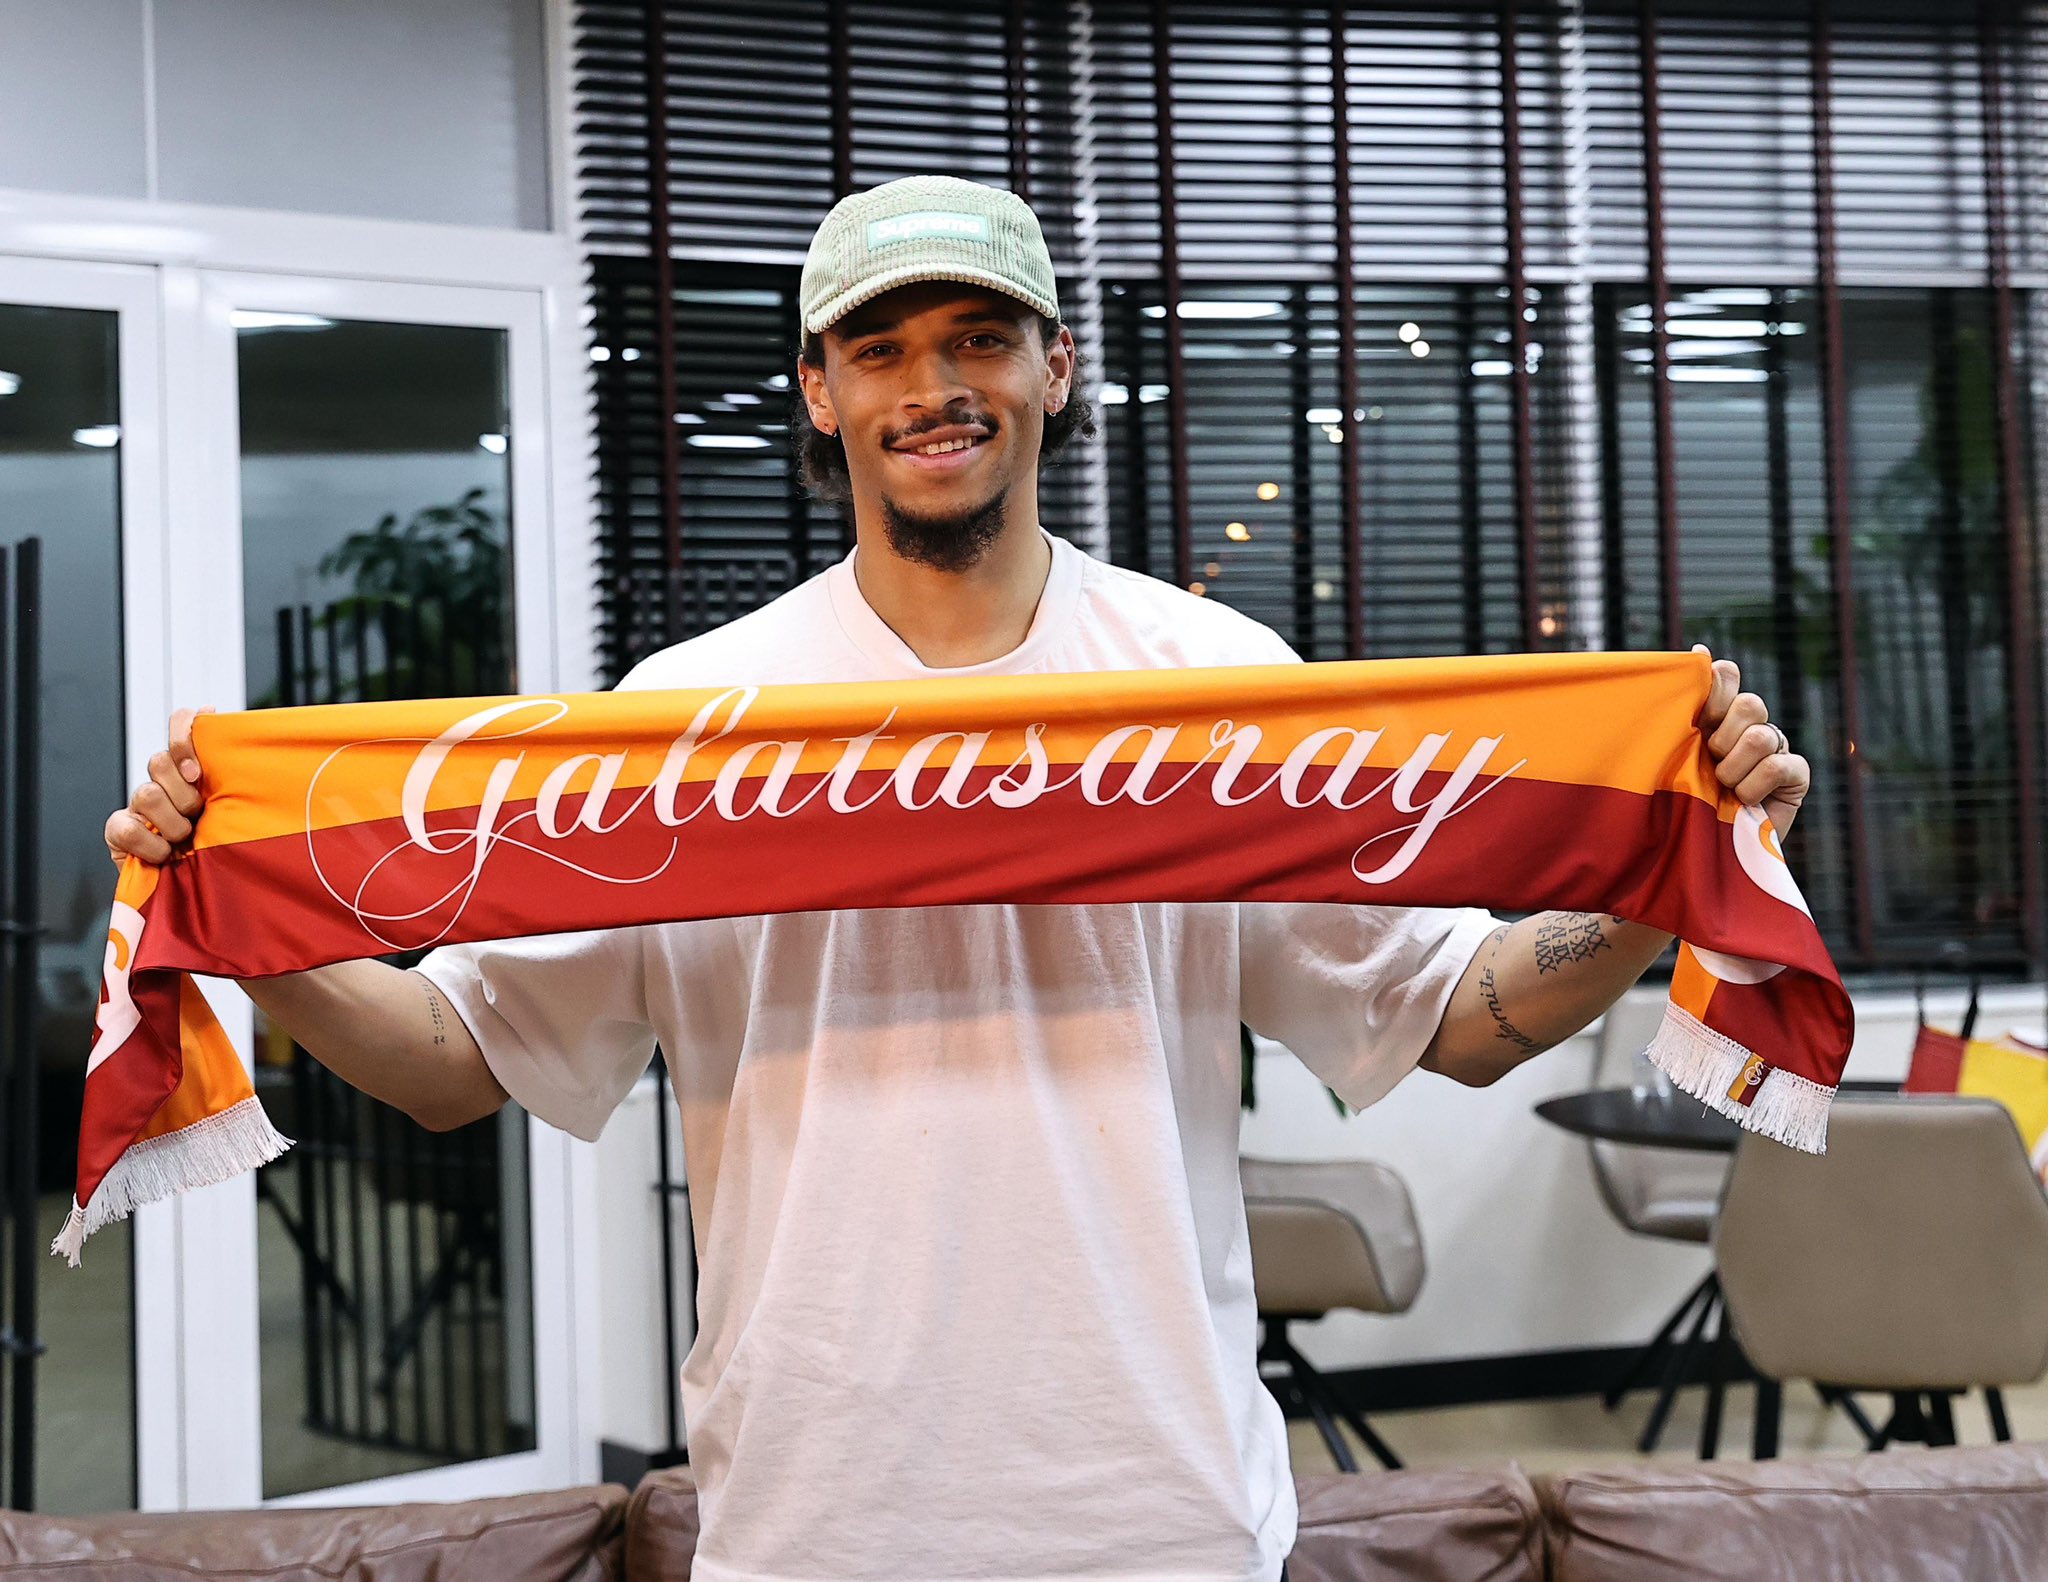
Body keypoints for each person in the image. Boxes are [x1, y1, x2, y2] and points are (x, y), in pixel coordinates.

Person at [106, 176, 1810, 1582]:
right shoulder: (685, 724)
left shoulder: (1215, 694)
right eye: (883, 347)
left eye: (980, 337)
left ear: (1056, 367)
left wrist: (1666, 870)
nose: (934, 384)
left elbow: (1456, 1016)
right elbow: (453, 1061)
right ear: (819, 390)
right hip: (815, 1523)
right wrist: (237, 916)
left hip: (1167, 1520)